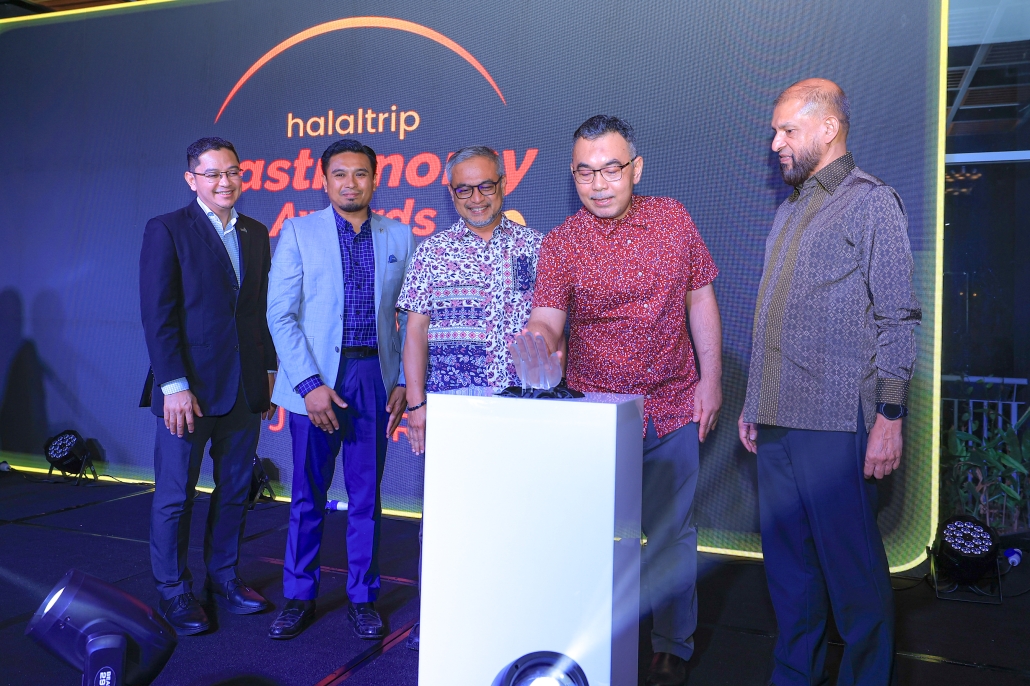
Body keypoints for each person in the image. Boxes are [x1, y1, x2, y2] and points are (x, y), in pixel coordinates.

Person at [522, 115, 723, 686]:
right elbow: (548, 319)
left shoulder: (673, 218)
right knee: (591, 538)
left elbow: (700, 298)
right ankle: (592, 643)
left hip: (671, 405)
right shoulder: (562, 242)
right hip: (597, 418)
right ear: (573, 175)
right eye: (585, 172)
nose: (599, 184)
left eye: (611, 169)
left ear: (636, 168)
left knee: (671, 533)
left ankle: (672, 643)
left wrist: (710, 379)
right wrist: (535, 340)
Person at [738, 78, 920, 685]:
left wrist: (890, 418)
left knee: (853, 577)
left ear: (828, 128)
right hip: (776, 419)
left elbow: (898, 317)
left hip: (837, 423)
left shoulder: (872, 202)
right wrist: (752, 403)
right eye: (775, 131)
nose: (776, 143)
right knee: (790, 575)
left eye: (787, 130)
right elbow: (772, 316)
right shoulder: (789, 209)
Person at [396, 145, 544, 650]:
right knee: (447, 521)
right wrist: (417, 407)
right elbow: (414, 332)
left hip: (521, 412)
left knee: (516, 520)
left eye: (486, 186)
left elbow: (557, 330)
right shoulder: (432, 252)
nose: (476, 197)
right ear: (451, 193)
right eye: (464, 189)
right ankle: (439, 619)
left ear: (503, 185)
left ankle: (512, 623)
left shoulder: (536, 247)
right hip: (452, 413)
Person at [265, 139, 413, 640]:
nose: (351, 184)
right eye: (340, 174)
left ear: (376, 179)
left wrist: (403, 380)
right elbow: (280, 315)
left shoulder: (399, 235)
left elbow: (410, 318)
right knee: (307, 494)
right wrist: (309, 385)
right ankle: (298, 595)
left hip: (373, 377)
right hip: (316, 380)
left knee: (366, 496)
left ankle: (363, 597)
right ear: (324, 180)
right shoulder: (298, 232)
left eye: (361, 174)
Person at [139, 137, 278, 635]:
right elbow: (158, 315)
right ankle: (174, 591)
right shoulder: (167, 229)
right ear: (191, 179)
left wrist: (267, 371)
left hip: (243, 387)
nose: (225, 182)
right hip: (188, 391)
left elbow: (257, 310)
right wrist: (173, 385)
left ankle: (224, 577)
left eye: (233, 172)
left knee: (236, 490)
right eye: (213, 173)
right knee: (175, 496)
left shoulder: (256, 232)